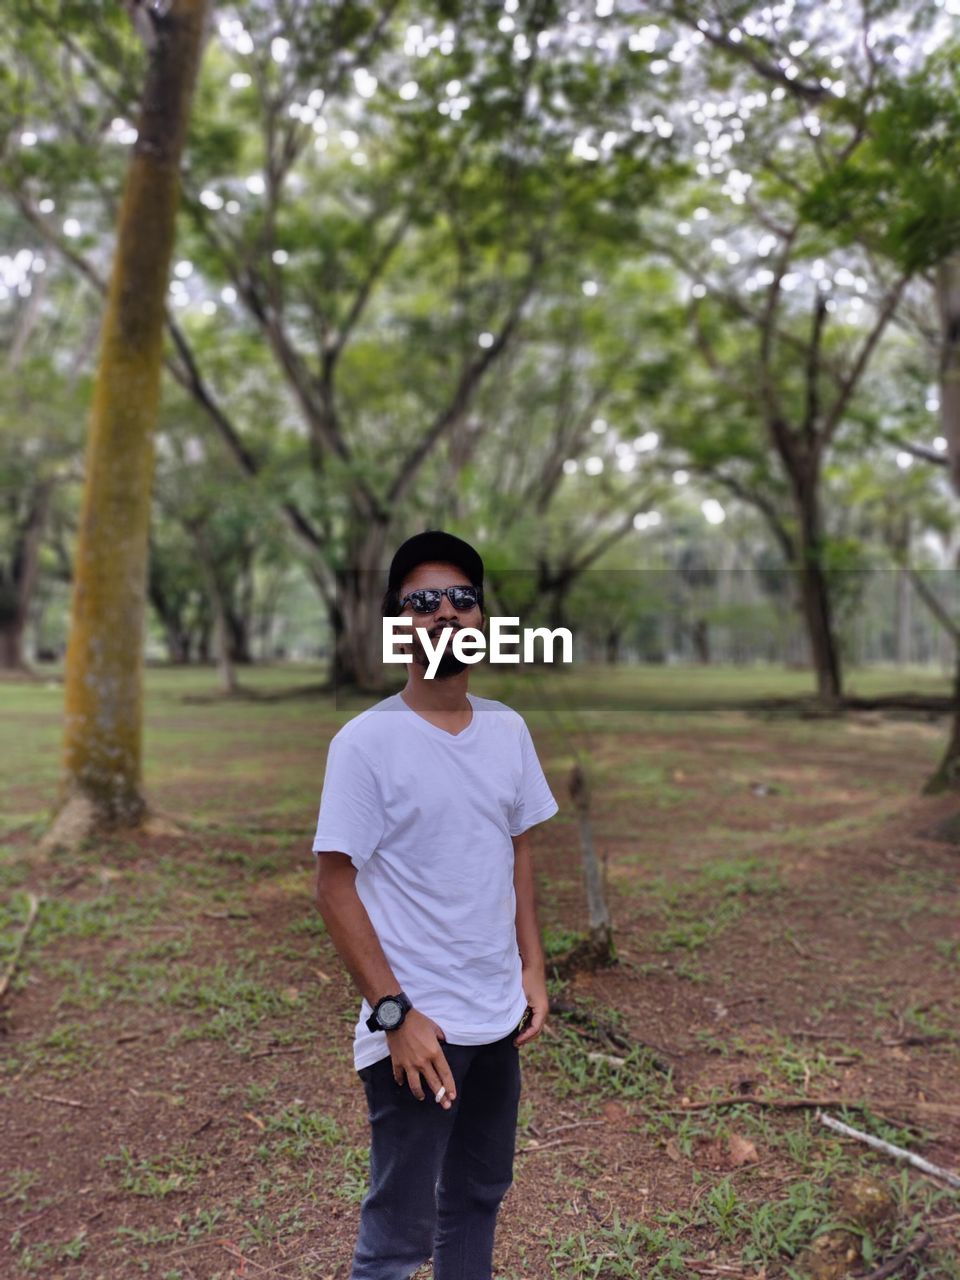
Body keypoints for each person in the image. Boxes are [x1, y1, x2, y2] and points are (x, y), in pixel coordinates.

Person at [312, 529, 559, 1280]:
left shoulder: (508, 731)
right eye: (422, 602)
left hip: (494, 1017)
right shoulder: (365, 744)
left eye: (462, 599)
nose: (446, 613)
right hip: (419, 1030)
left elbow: (515, 849)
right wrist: (396, 1017)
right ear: (398, 623)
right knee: (397, 1238)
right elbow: (332, 883)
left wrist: (533, 969)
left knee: (479, 1197)